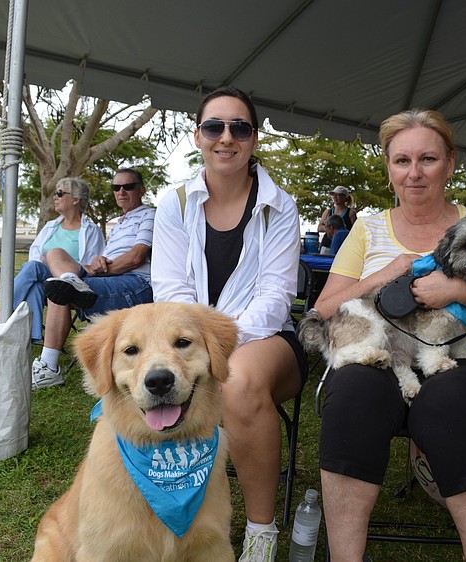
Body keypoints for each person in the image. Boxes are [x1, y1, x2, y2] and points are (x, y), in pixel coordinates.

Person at [314, 109, 466, 562]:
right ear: (389, 167)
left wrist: (457, 289)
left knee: (452, 400)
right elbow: (324, 310)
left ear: (449, 164)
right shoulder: (367, 228)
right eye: (402, 160)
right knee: (353, 392)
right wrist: (387, 273)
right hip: (383, 353)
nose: (414, 172)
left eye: (428, 159)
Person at [151, 86, 306, 562]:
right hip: (187, 338)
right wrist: (200, 346)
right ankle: (169, 519)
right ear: (197, 136)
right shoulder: (174, 203)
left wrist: (218, 345)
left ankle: (261, 532)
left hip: (267, 338)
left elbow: (276, 298)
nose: (226, 137)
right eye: (214, 126)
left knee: (236, 382)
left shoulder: (281, 206)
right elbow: (169, 290)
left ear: (254, 139)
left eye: (239, 127)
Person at [32, 167, 155, 390]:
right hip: (111, 278)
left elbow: (136, 257)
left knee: (59, 291)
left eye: (128, 187)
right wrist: (99, 261)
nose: (121, 192)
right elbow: (109, 259)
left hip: (135, 284)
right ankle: (70, 279)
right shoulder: (120, 223)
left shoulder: (149, 215)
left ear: (142, 190)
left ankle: (49, 367)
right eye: (116, 187)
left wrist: (103, 269)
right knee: (54, 253)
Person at [0, 177, 105, 343]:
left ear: (76, 200)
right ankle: (30, 340)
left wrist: (56, 262)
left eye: (60, 193)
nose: (55, 197)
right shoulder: (51, 226)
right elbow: (35, 253)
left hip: (73, 284)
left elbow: (92, 266)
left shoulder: (91, 231)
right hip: (45, 279)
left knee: (33, 269)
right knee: (34, 278)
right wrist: (47, 262)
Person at [317, 185, 357, 252]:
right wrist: (330, 228)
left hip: (343, 246)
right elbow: (319, 228)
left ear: (345, 197)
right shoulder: (328, 212)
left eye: (338, 195)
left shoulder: (351, 213)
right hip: (327, 245)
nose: (335, 197)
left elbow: (355, 230)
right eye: (333, 195)